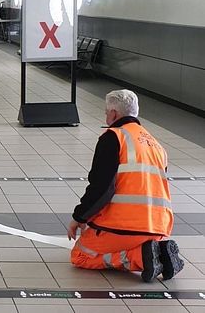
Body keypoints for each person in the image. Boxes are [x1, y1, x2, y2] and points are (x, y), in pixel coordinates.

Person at [67, 89, 184, 282]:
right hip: (159, 227)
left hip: (125, 227)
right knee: (137, 243)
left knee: (81, 254)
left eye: (106, 112)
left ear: (114, 113)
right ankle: (158, 250)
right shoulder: (156, 144)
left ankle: (138, 257)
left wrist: (80, 217)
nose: (106, 116)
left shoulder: (114, 137)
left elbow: (102, 188)